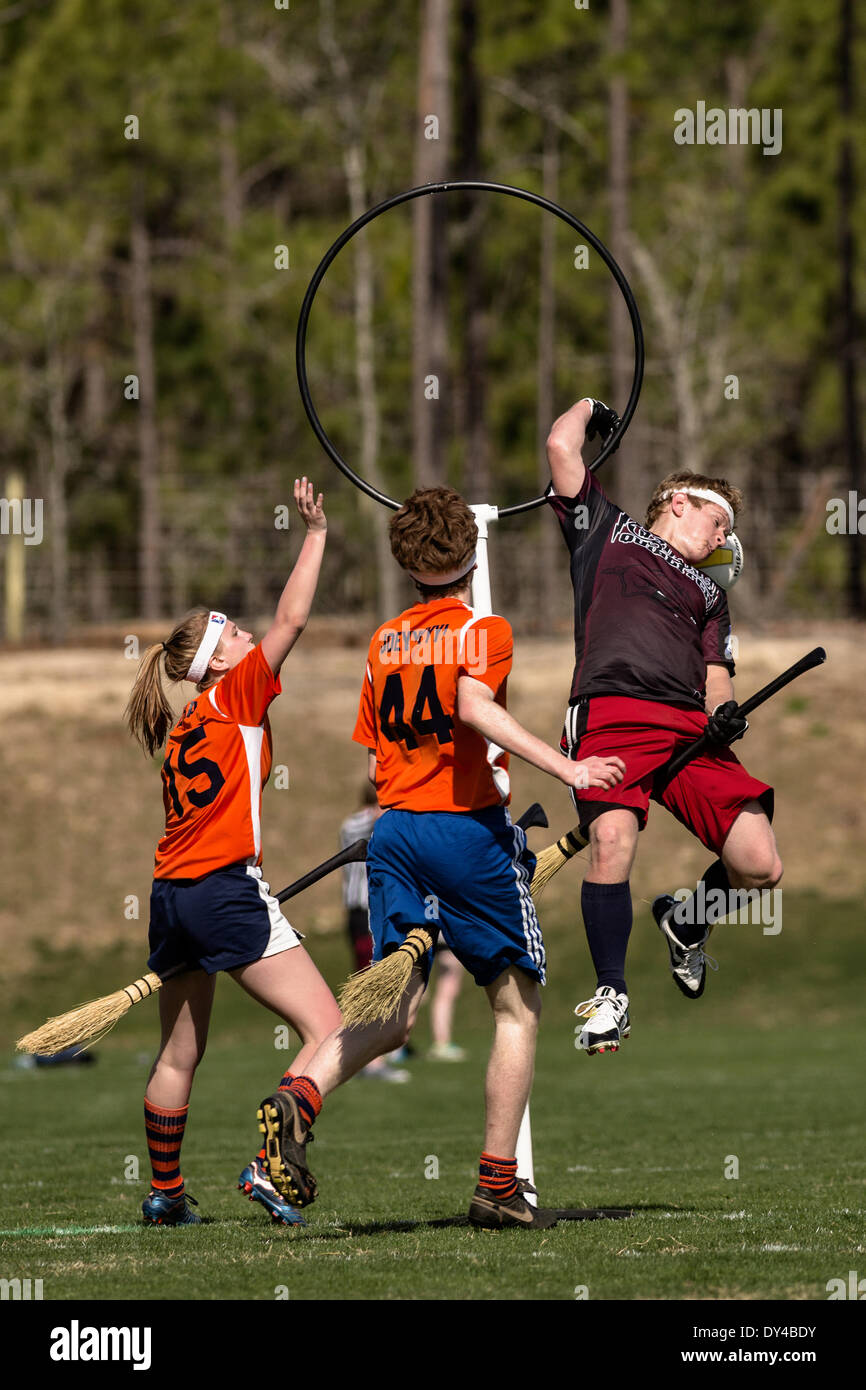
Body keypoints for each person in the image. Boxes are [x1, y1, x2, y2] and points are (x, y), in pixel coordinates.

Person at [255, 486, 624, 1229]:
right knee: (517, 1005)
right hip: (465, 832)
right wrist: (569, 769)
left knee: (394, 1013)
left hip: (393, 833)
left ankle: (301, 1097)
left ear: (404, 561)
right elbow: (472, 707)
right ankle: (497, 1187)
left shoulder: (383, 639)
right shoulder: (484, 628)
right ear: (472, 553)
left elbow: (376, 746)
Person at [125, 478, 341, 1227]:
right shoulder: (238, 694)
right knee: (332, 1029)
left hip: (171, 895)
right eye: (235, 637)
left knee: (180, 1054)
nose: (251, 637)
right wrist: (315, 533)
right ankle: (270, 1164)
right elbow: (295, 615)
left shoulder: (181, 728)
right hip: (222, 889)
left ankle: (165, 1194)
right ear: (217, 665)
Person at [546, 397, 782, 1055]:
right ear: (677, 502)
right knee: (614, 842)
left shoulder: (711, 596)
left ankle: (688, 921)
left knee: (761, 866)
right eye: (717, 521)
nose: (724, 538)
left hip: (685, 730)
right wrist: (592, 406)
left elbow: (716, 677)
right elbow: (562, 447)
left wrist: (724, 715)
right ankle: (611, 997)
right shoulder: (606, 528)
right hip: (613, 712)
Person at [339, 786, 409, 1082]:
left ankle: (365, 1056)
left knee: (372, 981)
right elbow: (380, 820)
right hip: (362, 912)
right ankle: (370, 1061)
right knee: (370, 983)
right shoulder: (359, 823)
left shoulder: (363, 822)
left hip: (367, 912)